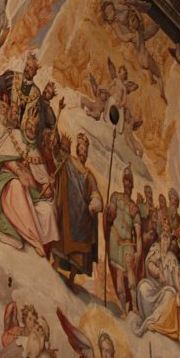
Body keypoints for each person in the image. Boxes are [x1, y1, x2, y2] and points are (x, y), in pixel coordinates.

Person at [0, 102, 59, 257]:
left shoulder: (36, 152)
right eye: (30, 124)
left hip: (29, 192)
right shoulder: (15, 136)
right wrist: (19, 171)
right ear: (25, 122)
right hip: (3, 181)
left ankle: (36, 246)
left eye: (35, 127)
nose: (32, 129)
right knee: (16, 185)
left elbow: (44, 189)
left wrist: (49, 187)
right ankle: (34, 240)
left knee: (47, 211)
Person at [53, 132, 103, 284]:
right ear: (76, 149)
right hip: (69, 207)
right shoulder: (69, 161)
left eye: (85, 150)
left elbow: (95, 192)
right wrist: (62, 147)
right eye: (81, 148)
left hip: (82, 215)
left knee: (86, 231)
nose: (83, 152)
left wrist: (95, 201)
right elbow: (57, 158)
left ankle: (72, 278)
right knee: (62, 228)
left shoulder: (89, 174)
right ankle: (54, 265)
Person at [106, 165, 142, 313]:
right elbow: (110, 216)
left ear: (132, 185)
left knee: (130, 272)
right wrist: (108, 211)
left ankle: (134, 308)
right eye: (125, 180)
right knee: (120, 277)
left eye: (129, 181)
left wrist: (138, 250)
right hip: (115, 239)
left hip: (128, 243)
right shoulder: (115, 197)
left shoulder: (134, 207)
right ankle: (123, 310)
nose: (127, 183)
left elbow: (138, 232)